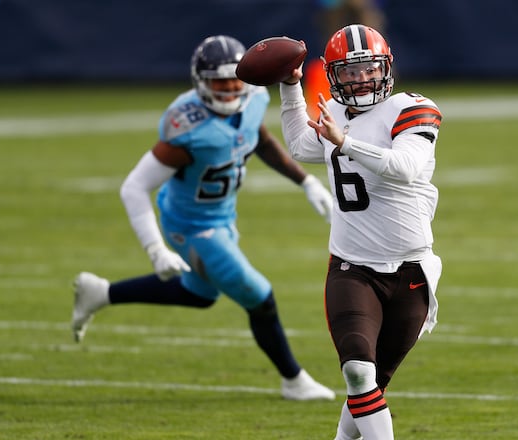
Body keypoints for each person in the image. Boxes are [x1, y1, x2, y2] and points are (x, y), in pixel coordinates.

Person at [71, 35, 336, 401]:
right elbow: (134, 187)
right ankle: (293, 379)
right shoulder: (187, 125)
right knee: (258, 295)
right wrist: (155, 249)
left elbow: (256, 138)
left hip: (223, 215)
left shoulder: (256, 97)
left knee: (200, 294)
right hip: (190, 225)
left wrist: (305, 181)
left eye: (234, 81)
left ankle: (101, 293)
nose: (229, 89)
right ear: (200, 83)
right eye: (219, 82)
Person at [278, 24, 443, 439]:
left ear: (385, 68)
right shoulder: (333, 111)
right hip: (352, 267)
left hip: (410, 270)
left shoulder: (412, 108)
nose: (361, 79)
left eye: (368, 69)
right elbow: (301, 147)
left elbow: (403, 167)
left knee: (371, 385)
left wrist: (345, 143)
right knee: (356, 370)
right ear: (334, 74)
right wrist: (289, 87)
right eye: (350, 72)